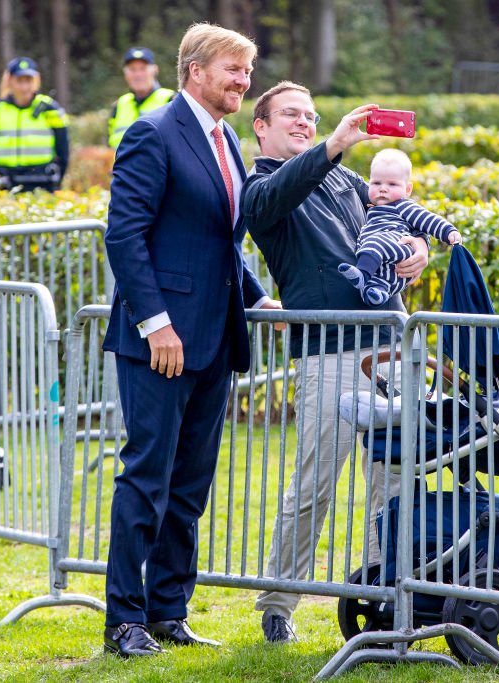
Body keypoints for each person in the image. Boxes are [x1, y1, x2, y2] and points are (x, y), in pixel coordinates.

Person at [101, 23, 279, 658]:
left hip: (214, 339)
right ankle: (123, 622)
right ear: (194, 71)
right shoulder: (152, 132)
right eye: (232, 69)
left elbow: (222, 243)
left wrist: (259, 299)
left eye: (247, 70)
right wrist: (156, 325)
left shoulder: (226, 138)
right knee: (146, 478)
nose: (243, 81)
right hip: (160, 342)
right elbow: (124, 236)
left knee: (189, 486)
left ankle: (168, 612)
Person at [241, 81, 427, 643]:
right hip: (329, 351)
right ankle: (279, 603)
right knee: (314, 482)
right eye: (291, 115)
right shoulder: (259, 188)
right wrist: (335, 143)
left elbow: (393, 220)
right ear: (261, 126)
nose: (304, 122)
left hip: (393, 343)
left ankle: (382, 592)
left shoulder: (348, 179)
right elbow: (275, 197)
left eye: (311, 115)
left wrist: (417, 248)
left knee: (394, 478)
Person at [338, 148, 461, 305]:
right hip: (390, 257)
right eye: (376, 183)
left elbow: (428, 220)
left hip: (396, 244)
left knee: (374, 243)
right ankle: (378, 293)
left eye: (392, 184)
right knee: (380, 278)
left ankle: (362, 274)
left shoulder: (402, 206)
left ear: (407, 189)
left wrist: (448, 231)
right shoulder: (372, 206)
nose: (383, 188)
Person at [0, 56, 68, 193]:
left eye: (28, 81)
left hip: (42, 180)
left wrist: (58, 179)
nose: (24, 87)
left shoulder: (49, 108)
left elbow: (63, 148)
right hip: (8, 181)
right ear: (10, 81)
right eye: (19, 81)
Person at [107, 47, 176, 149]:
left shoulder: (171, 100)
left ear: (155, 70)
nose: (138, 74)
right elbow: (110, 145)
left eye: (143, 68)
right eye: (132, 69)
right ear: (125, 73)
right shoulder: (119, 104)